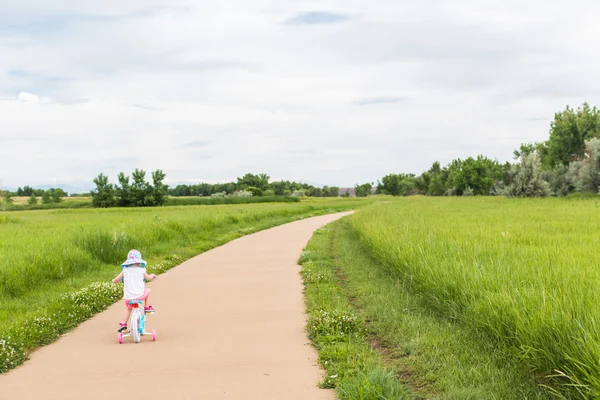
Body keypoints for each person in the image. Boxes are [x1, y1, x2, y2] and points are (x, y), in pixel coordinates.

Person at [111, 249, 157, 332]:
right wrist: (152, 275)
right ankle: (147, 307)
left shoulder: (125, 270)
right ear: (139, 262)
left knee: (128, 309)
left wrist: (114, 281)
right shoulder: (142, 270)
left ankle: (124, 323)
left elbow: (117, 279)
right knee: (148, 291)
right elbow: (148, 278)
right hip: (139, 295)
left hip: (128, 297)